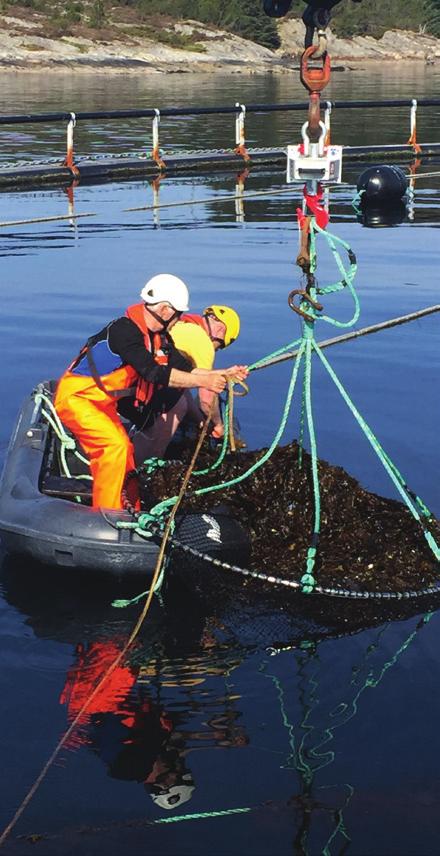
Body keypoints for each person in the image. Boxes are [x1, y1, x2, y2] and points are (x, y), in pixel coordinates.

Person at [54, 274, 248, 510]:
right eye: (178, 314)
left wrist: (222, 374)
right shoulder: (124, 332)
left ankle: (130, 508)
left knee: (126, 453)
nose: (180, 319)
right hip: (78, 399)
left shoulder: (159, 338)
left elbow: (183, 367)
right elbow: (153, 372)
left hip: (102, 404)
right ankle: (108, 515)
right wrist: (205, 380)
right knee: (114, 448)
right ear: (166, 310)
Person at [170, 304, 241, 441]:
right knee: (178, 407)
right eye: (219, 346)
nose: (215, 350)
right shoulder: (202, 341)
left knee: (179, 400)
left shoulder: (180, 325)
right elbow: (206, 399)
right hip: (148, 388)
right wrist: (219, 425)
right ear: (220, 331)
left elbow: (181, 391)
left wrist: (199, 421)